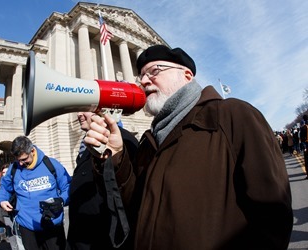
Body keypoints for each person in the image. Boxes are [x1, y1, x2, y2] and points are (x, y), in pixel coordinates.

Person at [84, 45, 293, 249]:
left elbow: (273, 213)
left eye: (154, 71)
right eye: (141, 76)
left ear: (186, 75)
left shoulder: (233, 115)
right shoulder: (149, 141)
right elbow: (135, 207)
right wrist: (116, 157)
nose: (144, 81)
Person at [66, 112, 138, 250]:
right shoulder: (89, 143)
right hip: (81, 239)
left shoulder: (124, 141)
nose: (79, 114)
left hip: (102, 241)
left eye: (84, 108)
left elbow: (130, 196)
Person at [0, 136, 71, 250]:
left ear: (32, 151)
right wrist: (2, 199)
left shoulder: (51, 164)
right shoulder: (14, 169)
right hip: (27, 227)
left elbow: (68, 187)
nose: (21, 164)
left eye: (24, 159)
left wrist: (61, 200)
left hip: (52, 224)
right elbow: (5, 187)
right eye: (18, 160)